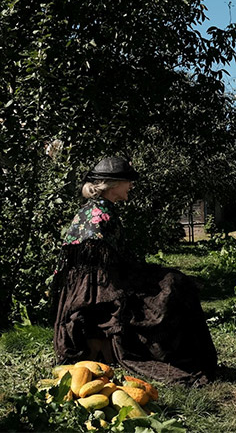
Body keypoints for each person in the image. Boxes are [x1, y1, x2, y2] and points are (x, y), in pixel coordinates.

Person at [52, 156, 217, 386]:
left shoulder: (98, 209)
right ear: (113, 184)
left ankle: (187, 357)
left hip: (105, 281)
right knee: (174, 288)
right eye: (128, 181)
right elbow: (98, 276)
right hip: (101, 290)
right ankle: (184, 360)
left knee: (174, 281)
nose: (131, 186)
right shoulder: (99, 215)